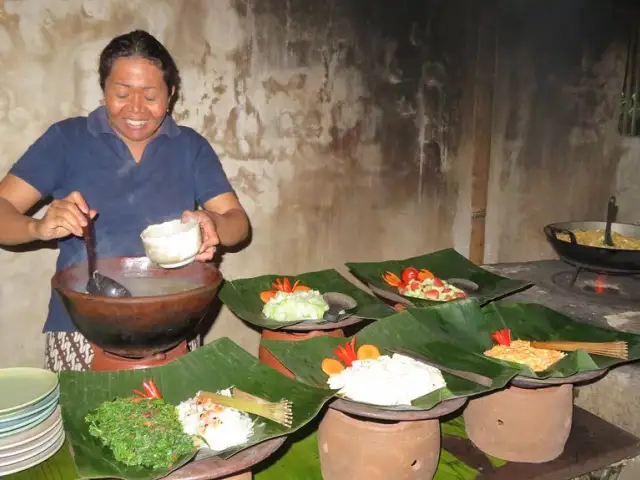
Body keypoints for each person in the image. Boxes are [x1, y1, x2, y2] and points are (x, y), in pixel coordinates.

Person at [0, 30, 250, 372]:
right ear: (104, 89)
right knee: (86, 426)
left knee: (180, 424)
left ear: (171, 94)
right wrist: (37, 226)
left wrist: (214, 226)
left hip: (174, 327)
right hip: (81, 330)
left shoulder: (189, 147)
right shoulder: (66, 140)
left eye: (150, 96)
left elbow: (237, 221)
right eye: (121, 93)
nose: (135, 109)